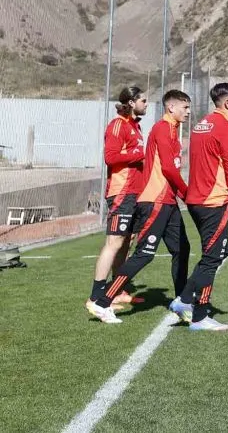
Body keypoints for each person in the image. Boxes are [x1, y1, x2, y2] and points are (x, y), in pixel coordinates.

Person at [92, 91, 192, 324]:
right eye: (184, 108)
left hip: (167, 199)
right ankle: (103, 301)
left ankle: (182, 302)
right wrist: (187, 193)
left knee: (182, 249)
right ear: (171, 108)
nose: (188, 112)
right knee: (143, 254)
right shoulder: (162, 128)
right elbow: (167, 168)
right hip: (155, 200)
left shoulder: (171, 130)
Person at [171, 82, 228, 331]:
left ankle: (191, 306)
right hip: (214, 201)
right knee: (212, 258)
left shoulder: (200, 125)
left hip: (196, 200)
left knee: (216, 254)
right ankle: (194, 309)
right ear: (227, 103)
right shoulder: (226, 128)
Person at [86, 86, 147, 319]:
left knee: (126, 243)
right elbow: (110, 158)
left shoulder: (135, 126)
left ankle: (117, 290)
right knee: (114, 242)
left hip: (135, 192)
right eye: (143, 100)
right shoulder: (117, 125)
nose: (146, 104)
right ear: (131, 102)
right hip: (121, 193)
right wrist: (138, 154)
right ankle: (95, 297)